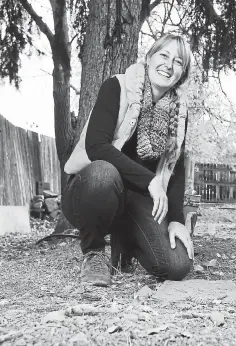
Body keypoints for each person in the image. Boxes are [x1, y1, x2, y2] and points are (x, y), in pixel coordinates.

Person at [62, 34, 194, 287]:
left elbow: (175, 168)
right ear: (149, 58)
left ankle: (127, 242)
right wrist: (150, 181)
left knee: (177, 266)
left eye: (178, 62)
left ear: (182, 74)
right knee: (103, 172)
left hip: (137, 199)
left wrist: (176, 219)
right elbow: (97, 146)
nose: (169, 64)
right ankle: (94, 253)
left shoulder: (179, 113)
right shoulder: (117, 86)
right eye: (164, 55)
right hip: (91, 191)